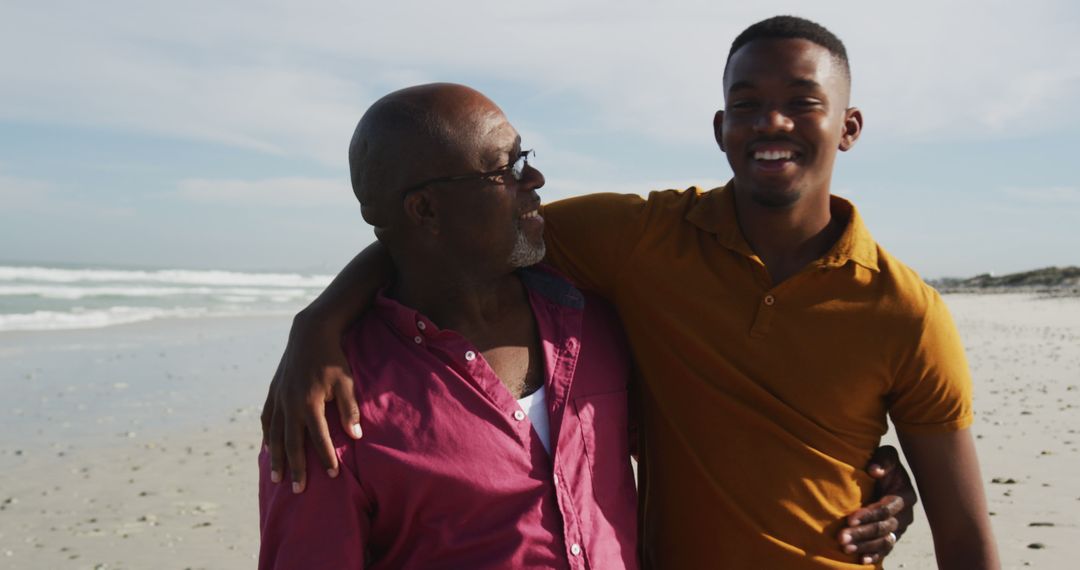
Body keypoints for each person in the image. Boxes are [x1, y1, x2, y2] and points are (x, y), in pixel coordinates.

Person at [265, 16, 985, 568]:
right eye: (748, 103)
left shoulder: (907, 311)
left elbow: (965, 533)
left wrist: (893, 486)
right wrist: (319, 325)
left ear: (849, 127)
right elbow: (444, 240)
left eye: (803, 102)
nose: (772, 122)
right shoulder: (637, 244)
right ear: (720, 128)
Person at [258, 84, 640, 568]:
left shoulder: (595, 320)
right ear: (425, 210)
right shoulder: (330, 406)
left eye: (526, 158)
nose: (537, 178)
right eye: (508, 169)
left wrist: (316, 319)